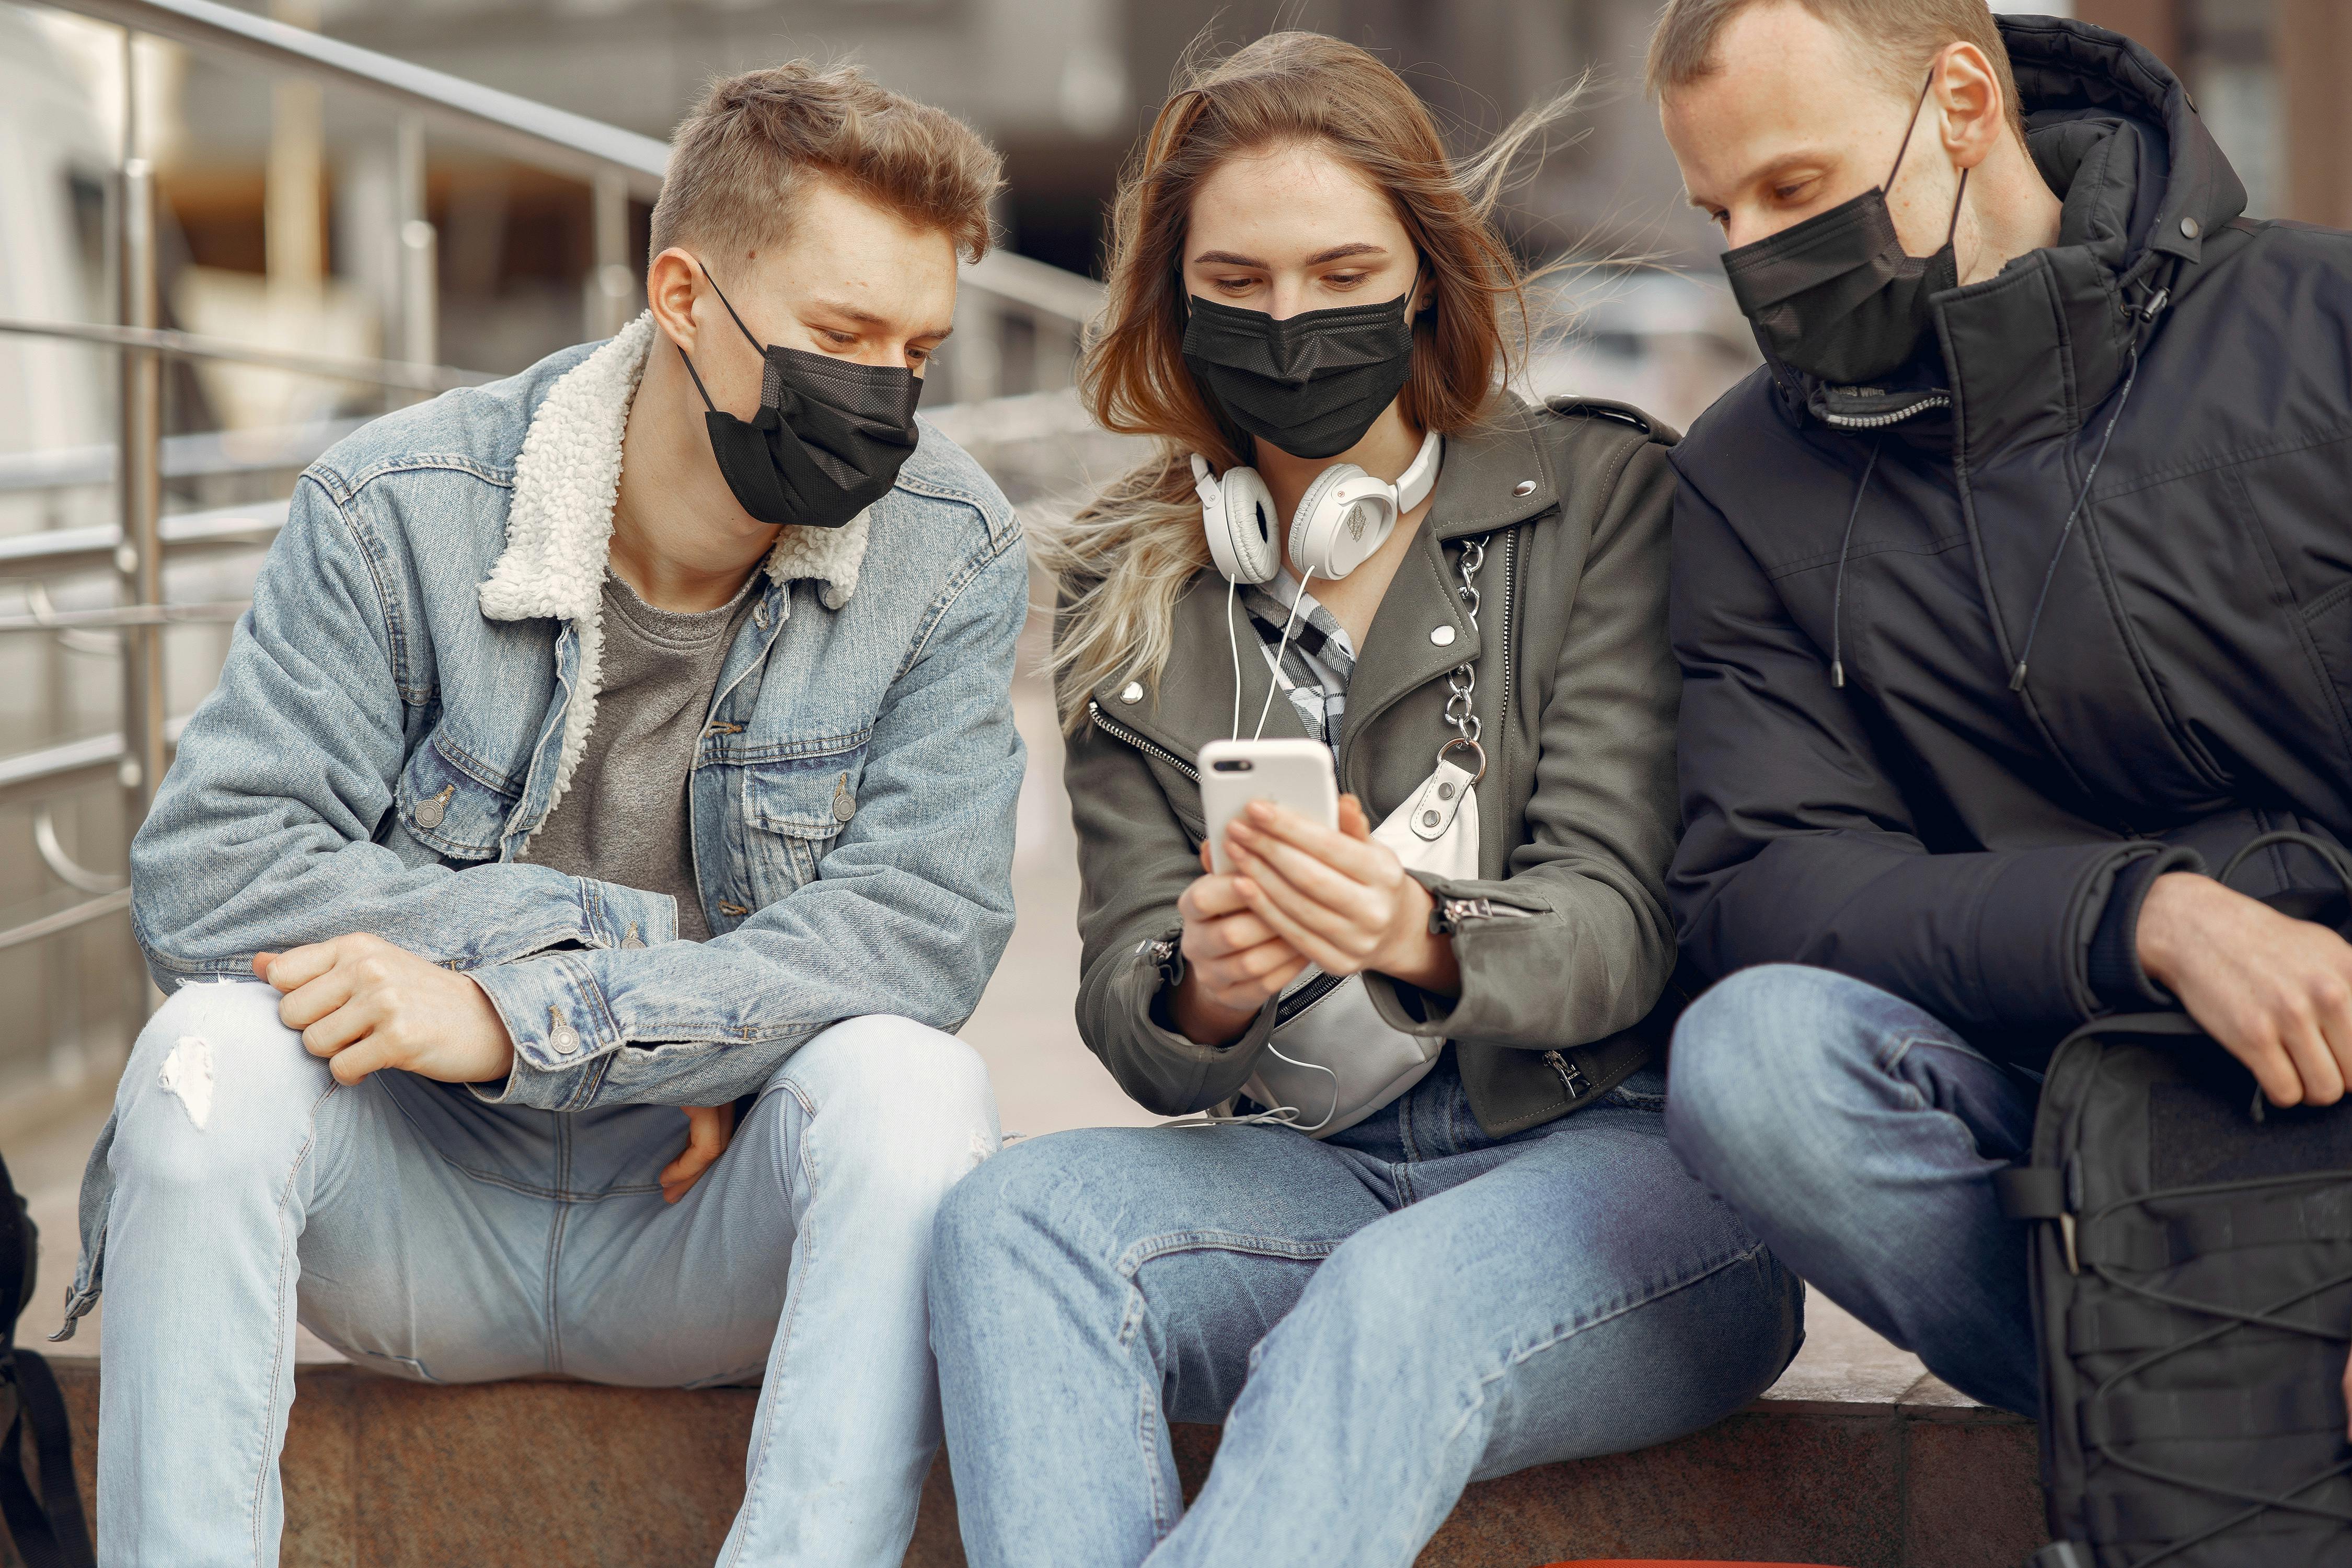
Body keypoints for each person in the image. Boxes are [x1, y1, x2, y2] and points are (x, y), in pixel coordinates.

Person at [62, 63, 1027, 1566]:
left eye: (918, 351)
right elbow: (212, 868)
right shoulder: (400, 502)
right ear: (682, 295)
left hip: (701, 1226)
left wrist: (534, 1018)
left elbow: (923, 932)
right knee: (205, 1059)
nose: (885, 399)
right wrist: (624, 962)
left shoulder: (950, 549)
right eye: (841, 339)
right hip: (417, 1207)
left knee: (915, 1093)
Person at [926, 32, 1802, 1568]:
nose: (1290, 321)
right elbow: (1139, 1036)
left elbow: (1618, 925)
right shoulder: (1122, 585)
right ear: (1174, 301)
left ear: (1421, 280)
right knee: (1011, 1222)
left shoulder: (1600, 503)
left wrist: (1415, 929)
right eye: (1241, 282)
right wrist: (1203, 989)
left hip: (1621, 1167)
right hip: (1315, 1168)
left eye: (1340, 272)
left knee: (1383, 1306)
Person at [1652, 1, 2352, 1421]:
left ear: (1963, 102)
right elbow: (1769, 884)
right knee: (1751, 1064)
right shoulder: (1740, 480)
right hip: (2066, 1130)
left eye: (1791, 188)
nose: (1749, 258)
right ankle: (2202, 1418)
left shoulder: (2321, 324)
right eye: (1716, 209)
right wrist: (2138, 915)